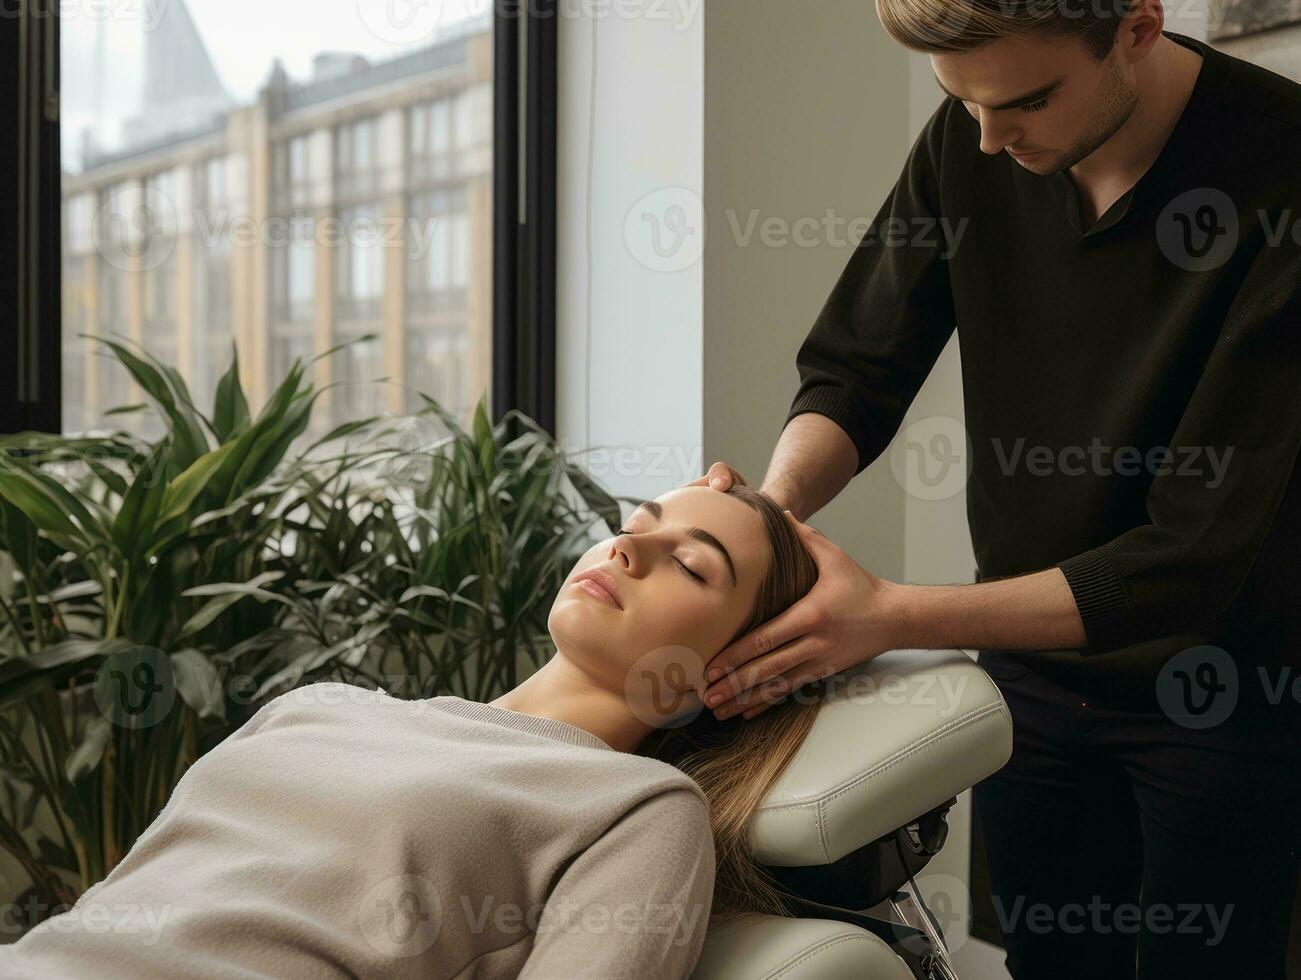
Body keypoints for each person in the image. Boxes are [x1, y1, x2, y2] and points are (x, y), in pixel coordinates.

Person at [689, 1, 1301, 977]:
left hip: (1222, 686)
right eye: (958, 103)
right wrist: (771, 510)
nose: (986, 137)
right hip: (1034, 669)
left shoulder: (1282, 169)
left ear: (1134, 27)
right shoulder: (975, 135)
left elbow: (1194, 555)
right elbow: (856, 367)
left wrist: (889, 616)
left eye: (1023, 100)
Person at [2, 485, 825, 980]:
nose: (629, 546)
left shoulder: (634, 807)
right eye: (636, 521)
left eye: (693, 564)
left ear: (745, 663)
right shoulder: (321, 706)